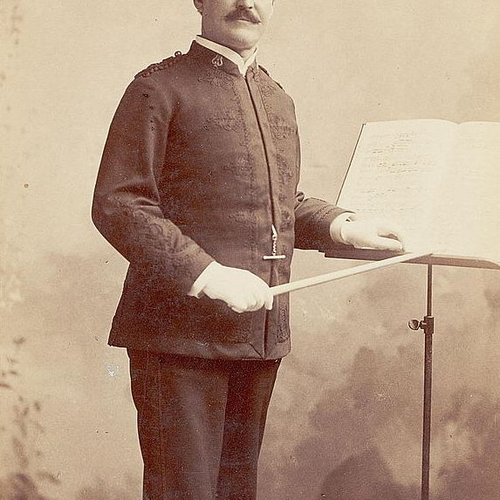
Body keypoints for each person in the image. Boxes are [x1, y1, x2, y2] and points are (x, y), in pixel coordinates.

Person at [92, 0, 404, 498]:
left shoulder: (277, 97)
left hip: (258, 337)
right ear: (200, 0)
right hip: (180, 339)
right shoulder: (158, 89)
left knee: (236, 491)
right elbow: (120, 204)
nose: (248, 4)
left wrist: (344, 227)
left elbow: (280, 203)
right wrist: (208, 275)